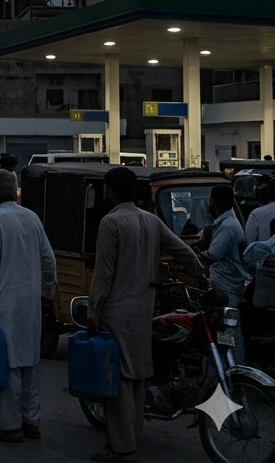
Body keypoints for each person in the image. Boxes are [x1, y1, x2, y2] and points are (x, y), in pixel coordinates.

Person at [88, 167, 204, 463]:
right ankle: (130, 437)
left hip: (116, 312)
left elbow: (103, 275)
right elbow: (183, 251)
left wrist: (93, 311)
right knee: (138, 377)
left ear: (111, 191)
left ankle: (123, 448)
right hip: (145, 311)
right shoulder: (151, 221)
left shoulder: (110, 223)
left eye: (105, 189)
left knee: (119, 382)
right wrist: (202, 275)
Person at [0, 168, 56, 444]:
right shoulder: (32, 218)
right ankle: (32, 422)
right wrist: (46, 293)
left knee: (7, 365)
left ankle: (10, 427)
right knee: (30, 363)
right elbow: (49, 261)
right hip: (31, 305)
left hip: (4, 306)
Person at [202, 184, 248, 304]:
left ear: (213, 202)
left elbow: (214, 254)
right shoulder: (229, 222)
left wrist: (198, 253)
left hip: (226, 284)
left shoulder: (226, 226)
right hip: (228, 283)